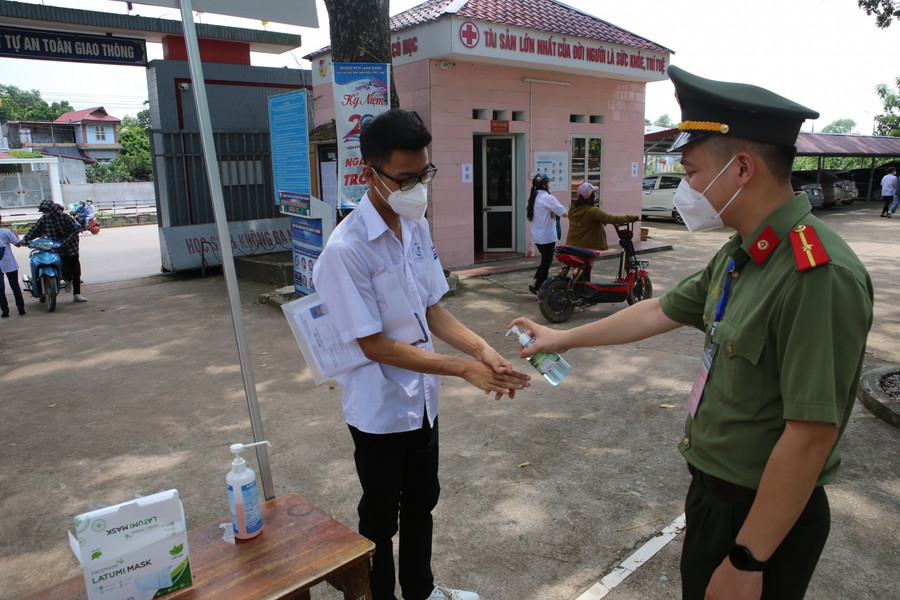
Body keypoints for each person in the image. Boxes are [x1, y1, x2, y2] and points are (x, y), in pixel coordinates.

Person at [511, 65, 873, 600]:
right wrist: (560, 338)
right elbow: (660, 311)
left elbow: (811, 435)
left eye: (694, 172)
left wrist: (748, 559)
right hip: (714, 500)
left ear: (742, 168)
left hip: (760, 518)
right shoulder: (742, 252)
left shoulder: (816, 274)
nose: (688, 188)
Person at [312, 109, 530, 600]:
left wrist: (484, 350)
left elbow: (431, 310)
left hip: (423, 401)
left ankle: (421, 591)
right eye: (406, 179)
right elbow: (372, 345)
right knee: (380, 516)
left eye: (424, 175)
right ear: (370, 174)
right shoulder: (346, 251)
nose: (418, 189)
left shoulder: (416, 229)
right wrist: (463, 369)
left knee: (422, 503)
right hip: (381, 409)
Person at [20, 199, 87, 302]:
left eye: (47, 211)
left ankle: (77, 294)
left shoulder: (64, 217)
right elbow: (34, 230)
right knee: (63, 269)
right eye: (44, 211)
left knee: (75, 272)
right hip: (56, 249)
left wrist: (64, 243)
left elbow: (74, 231)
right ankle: (60, 282)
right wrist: (25, 240)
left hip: (71, 247)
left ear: (53, 209)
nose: (45, 213)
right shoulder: (44, 219)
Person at [527, 173, 567, 294]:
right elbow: (563, 212)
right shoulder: (548, 198)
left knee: (545, 261)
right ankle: (539, 288)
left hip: (538, 237)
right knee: (546, 263)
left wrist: (552, 213)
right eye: (548, 183)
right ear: (544, 185)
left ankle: (535, 283)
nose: (549, 185)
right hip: (547, 236)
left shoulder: (532, 199)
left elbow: (547, 213)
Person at [0, 214, 26, 317]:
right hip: (9, 262)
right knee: (15, 285)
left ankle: (5, 310)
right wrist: (16, 235)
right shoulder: (6, 232)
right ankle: (21, 308)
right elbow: (18, 244)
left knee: (0, 289)